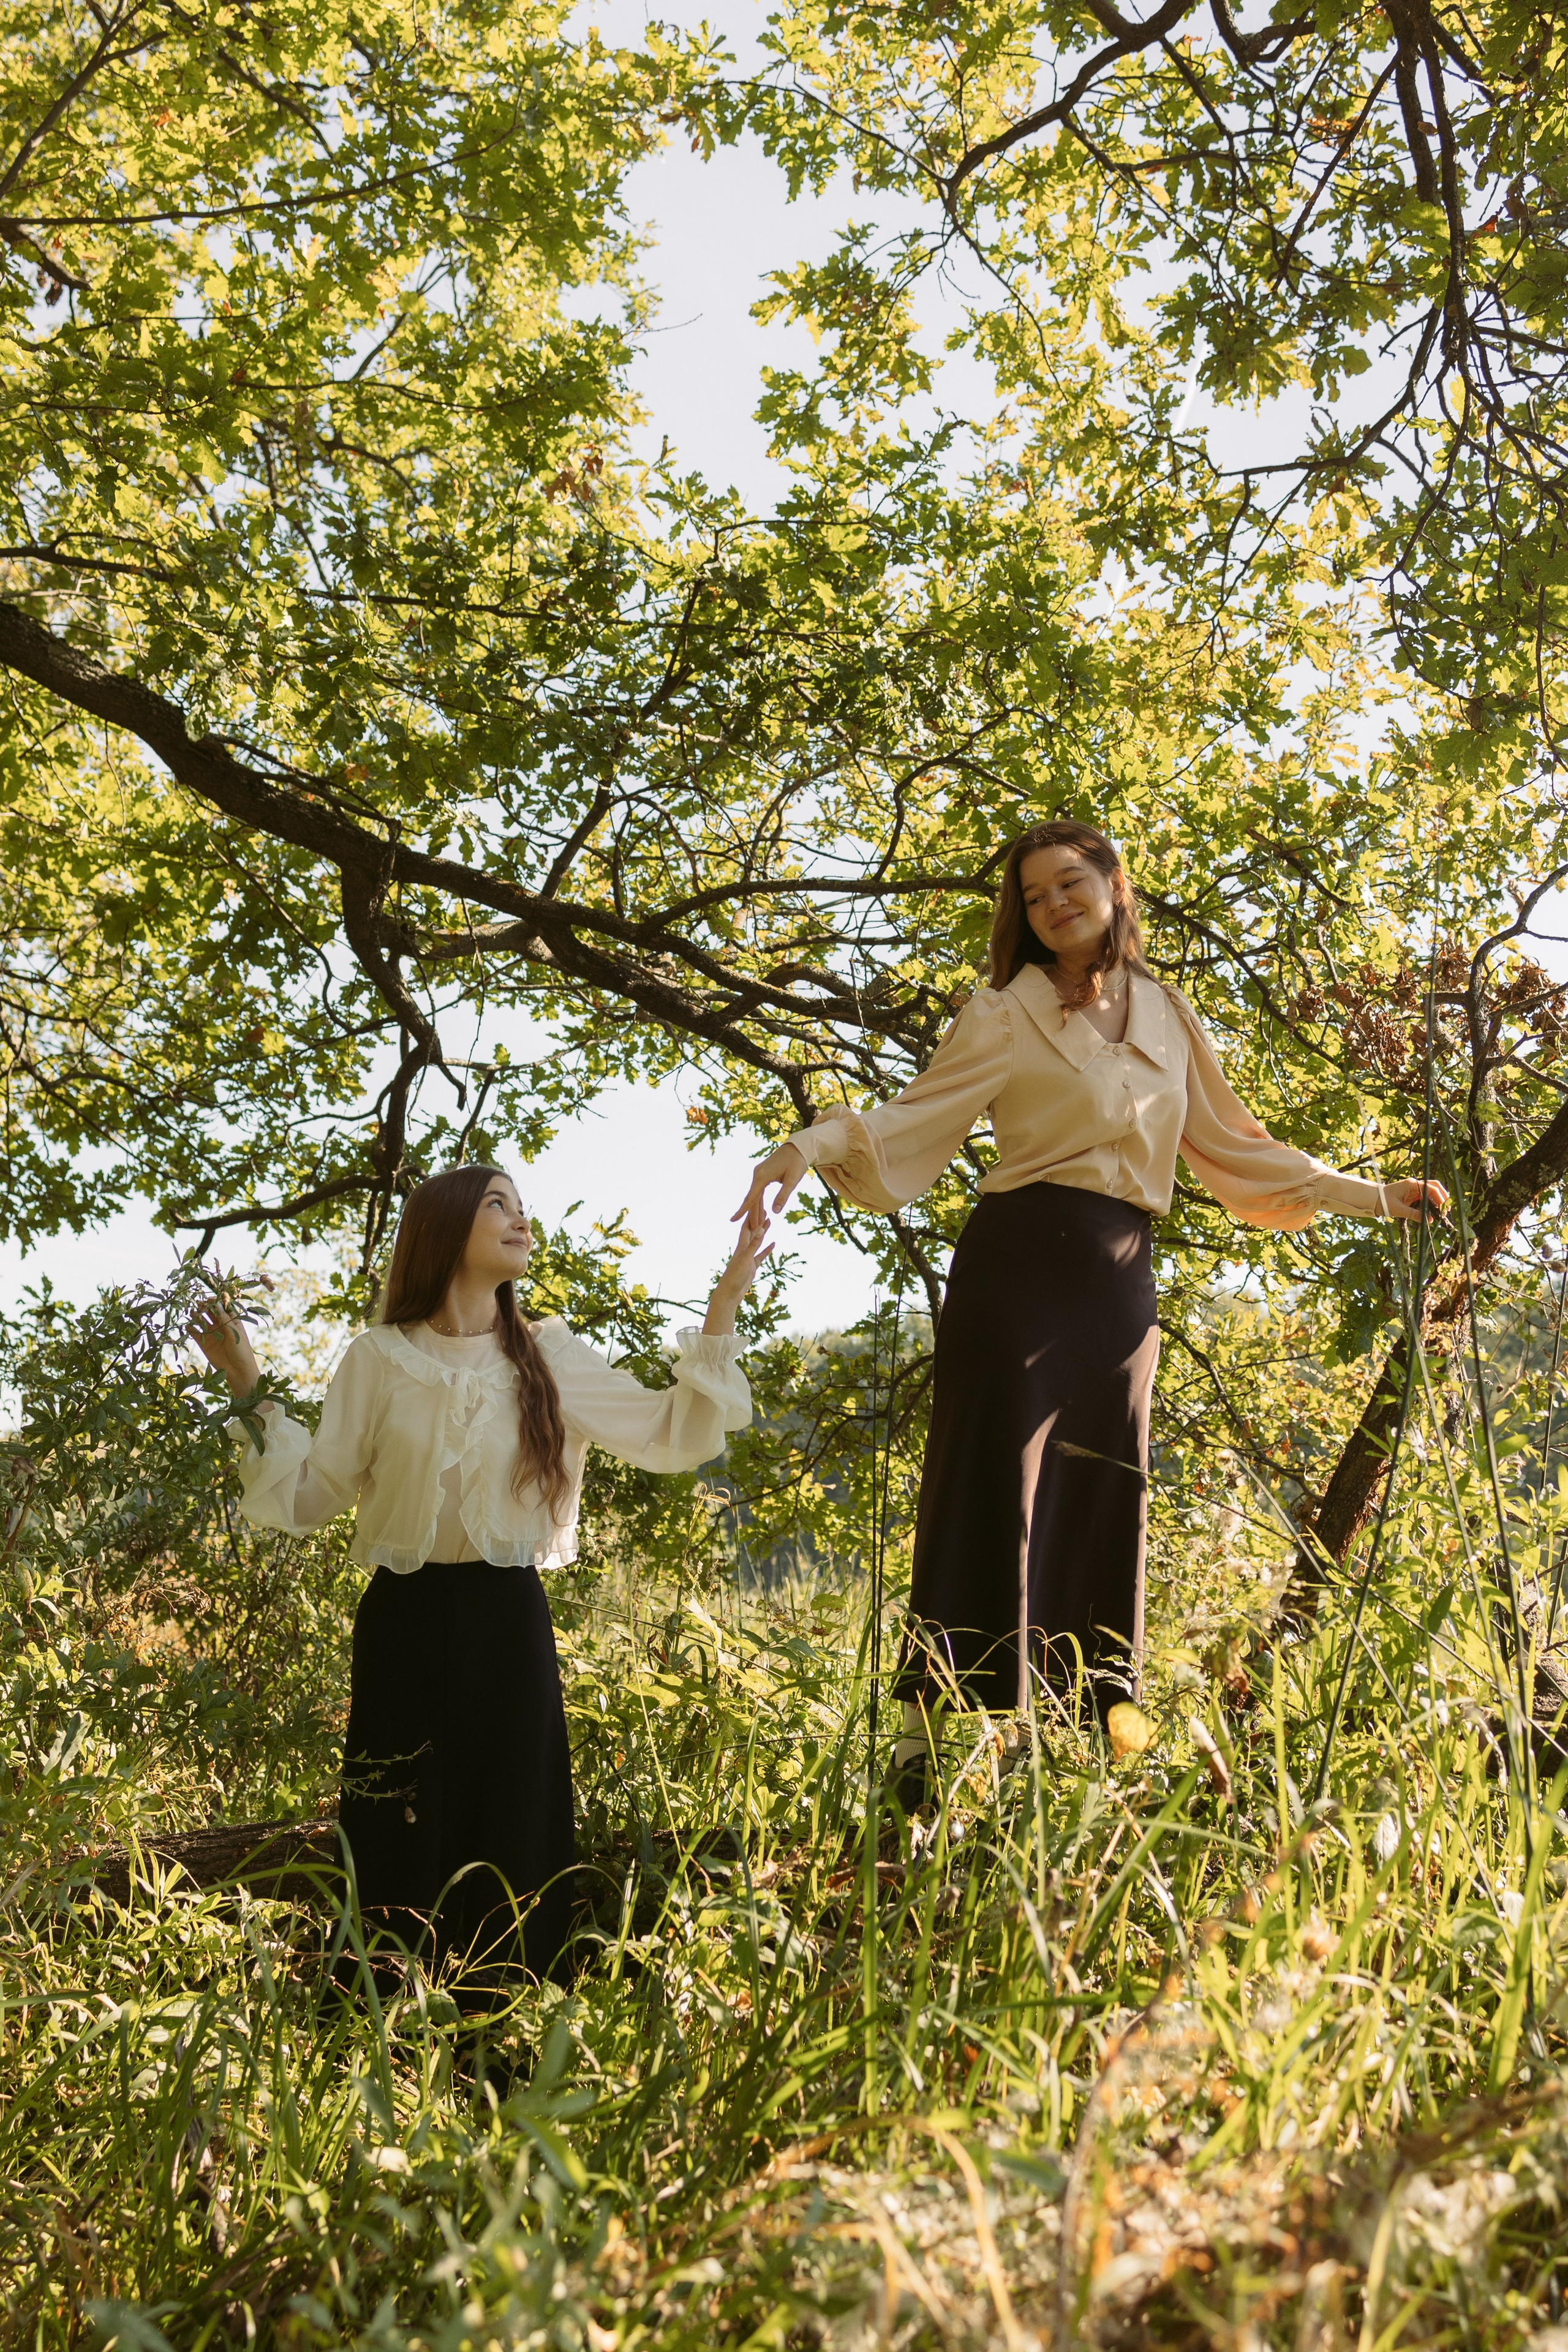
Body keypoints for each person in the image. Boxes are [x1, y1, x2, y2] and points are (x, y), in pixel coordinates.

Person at [735, 820, 1446, 1786]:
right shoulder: (1001, 1014)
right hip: (1015, 1269)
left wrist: (1374, 1195)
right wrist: (809, 1146)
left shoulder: (1166, 1011)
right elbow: (913, 1117)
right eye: (1034, 896)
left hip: (1118, 1283)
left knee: (1105, 1486)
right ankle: (925, 1741)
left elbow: (1238, 1148)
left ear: (1115, 885)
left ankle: (1087, 1745)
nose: (1055, 903)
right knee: (990, 1482)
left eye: (1070, 882)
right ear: (1022, 918)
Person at [195, 1163, 771, 1988]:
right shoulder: (379, 1359)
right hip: (402, 1620)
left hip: (509, 1620)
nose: (519, 1219)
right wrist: (248, 1386)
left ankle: (511, 2024)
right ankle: (384, 2023)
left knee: (518, 1816)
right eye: (497, 1204)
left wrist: (727, 1298)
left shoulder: (551, 1356)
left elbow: (672, 1431)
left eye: (522, 1206)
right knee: (395, 1818)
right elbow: (311, 1496)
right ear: (445, 1228)